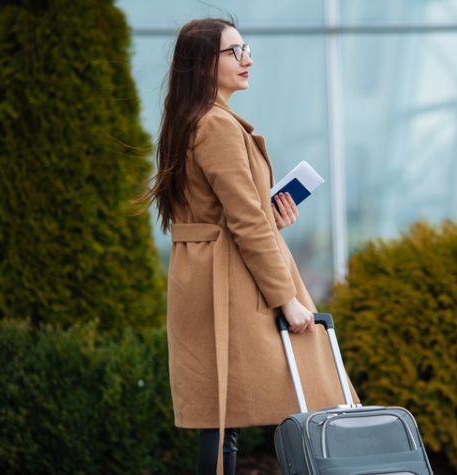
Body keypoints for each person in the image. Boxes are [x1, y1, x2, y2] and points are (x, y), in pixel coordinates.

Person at [140, 17, 362, 475]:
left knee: (223, 414)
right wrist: (287, 300)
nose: (248, 60)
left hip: (211, 276)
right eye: (235, 52)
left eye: (246, 49)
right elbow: (244, 222)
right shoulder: (216, 126)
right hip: (230, 284)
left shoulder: (191, 121)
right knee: (288, 397)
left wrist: (270, 215)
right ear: (204, 64)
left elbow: (227, 215)